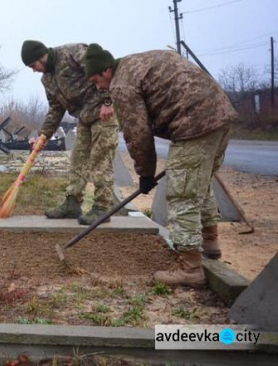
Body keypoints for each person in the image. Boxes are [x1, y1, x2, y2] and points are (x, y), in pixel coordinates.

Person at [84, 44, 237, 288]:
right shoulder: (140, 61)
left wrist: (145, 174)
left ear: (106, 71)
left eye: (96, 80)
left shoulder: (121, 83)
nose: (99, 87)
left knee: (182, 194)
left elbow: (138, 133)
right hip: (220, 113)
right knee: (201, 181)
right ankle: (210, 243)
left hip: (193, 122)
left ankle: (190, 268)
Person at [21, 40, 119, 225]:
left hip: (104, 113)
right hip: (84, 117)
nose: (33, 70)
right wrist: (44, 135)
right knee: (78, 160)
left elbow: (105, 70)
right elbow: (56, 109)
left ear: (42, 55)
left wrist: (108, 102)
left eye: (33, 65)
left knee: (101, 159)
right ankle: (72, 203)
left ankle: (102, 207)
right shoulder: (47, 79)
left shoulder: (72, 53)